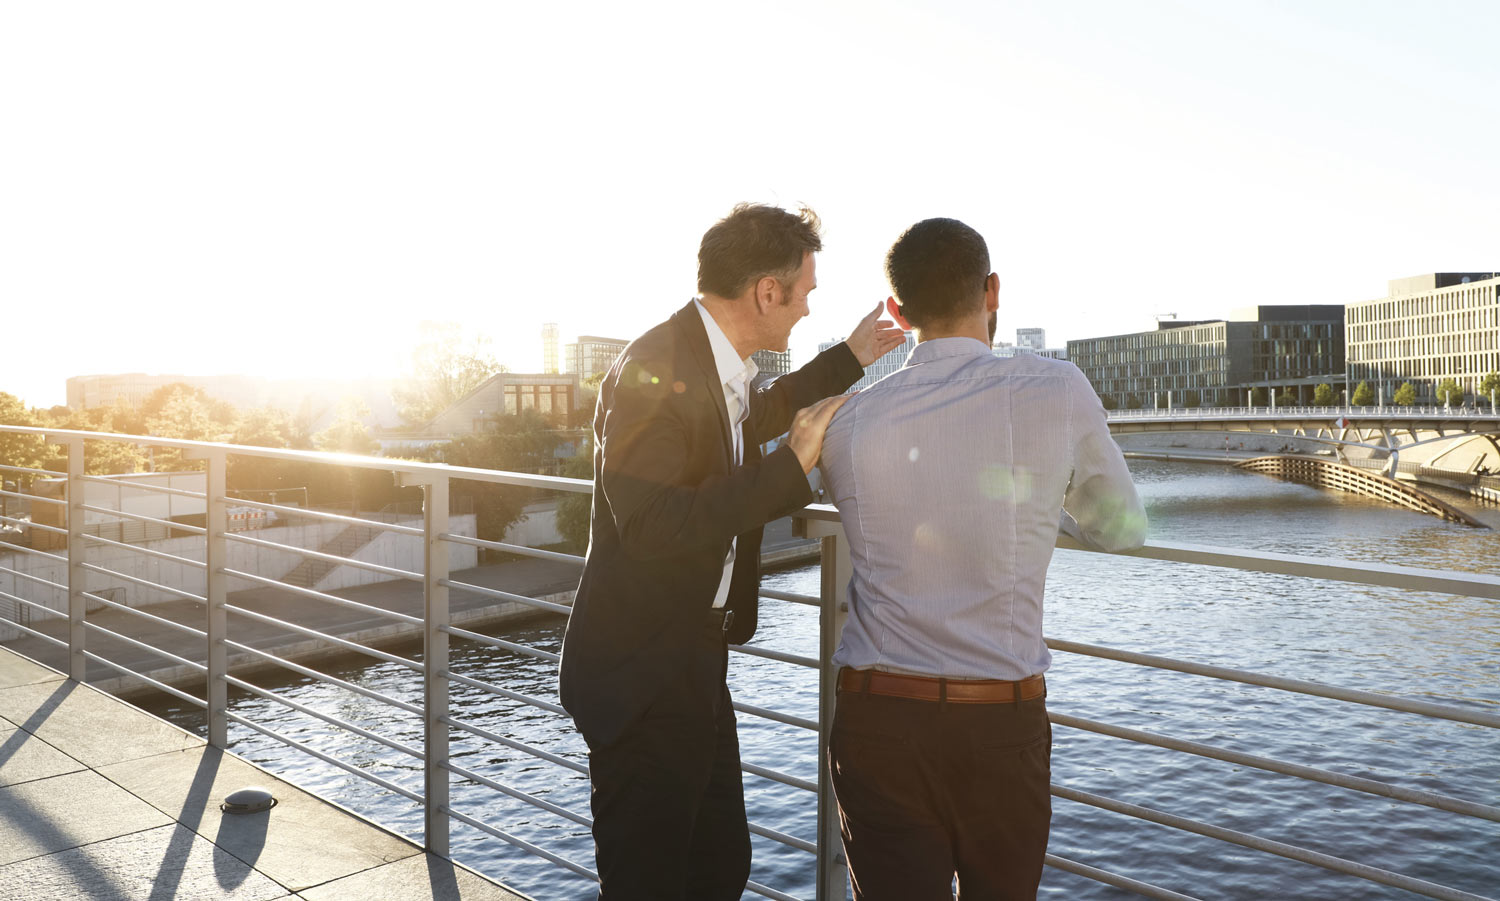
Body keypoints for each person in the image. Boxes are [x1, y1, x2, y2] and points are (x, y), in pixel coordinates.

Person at [558, 202, 905, 900]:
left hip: (692, 664)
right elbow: (652, 523)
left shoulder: (717, 362)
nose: (807, 308)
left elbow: (762, 412)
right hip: (643, 675)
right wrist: (790, 471)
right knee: (648, 881)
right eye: (804, 292)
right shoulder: (652, 367)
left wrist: (854, 356)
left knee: (719, 865)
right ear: (765, 292)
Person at [818, 218, 1147, 900]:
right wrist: (1040, 510)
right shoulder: (1055, 390)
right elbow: (1122, 530)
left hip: (877, 721)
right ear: (992, 290)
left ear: (900, 312)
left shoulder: (848, 422)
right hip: (999, 722)